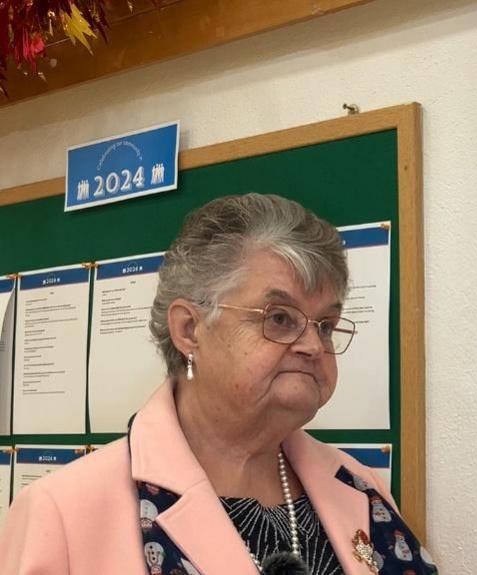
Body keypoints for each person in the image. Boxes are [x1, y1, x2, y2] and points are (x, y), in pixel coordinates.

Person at [0, 194, 438, 575]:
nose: (312, 345)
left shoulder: (360, 486)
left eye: (325, 325)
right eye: (280, 318)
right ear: (190, 329)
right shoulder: (61, 514)